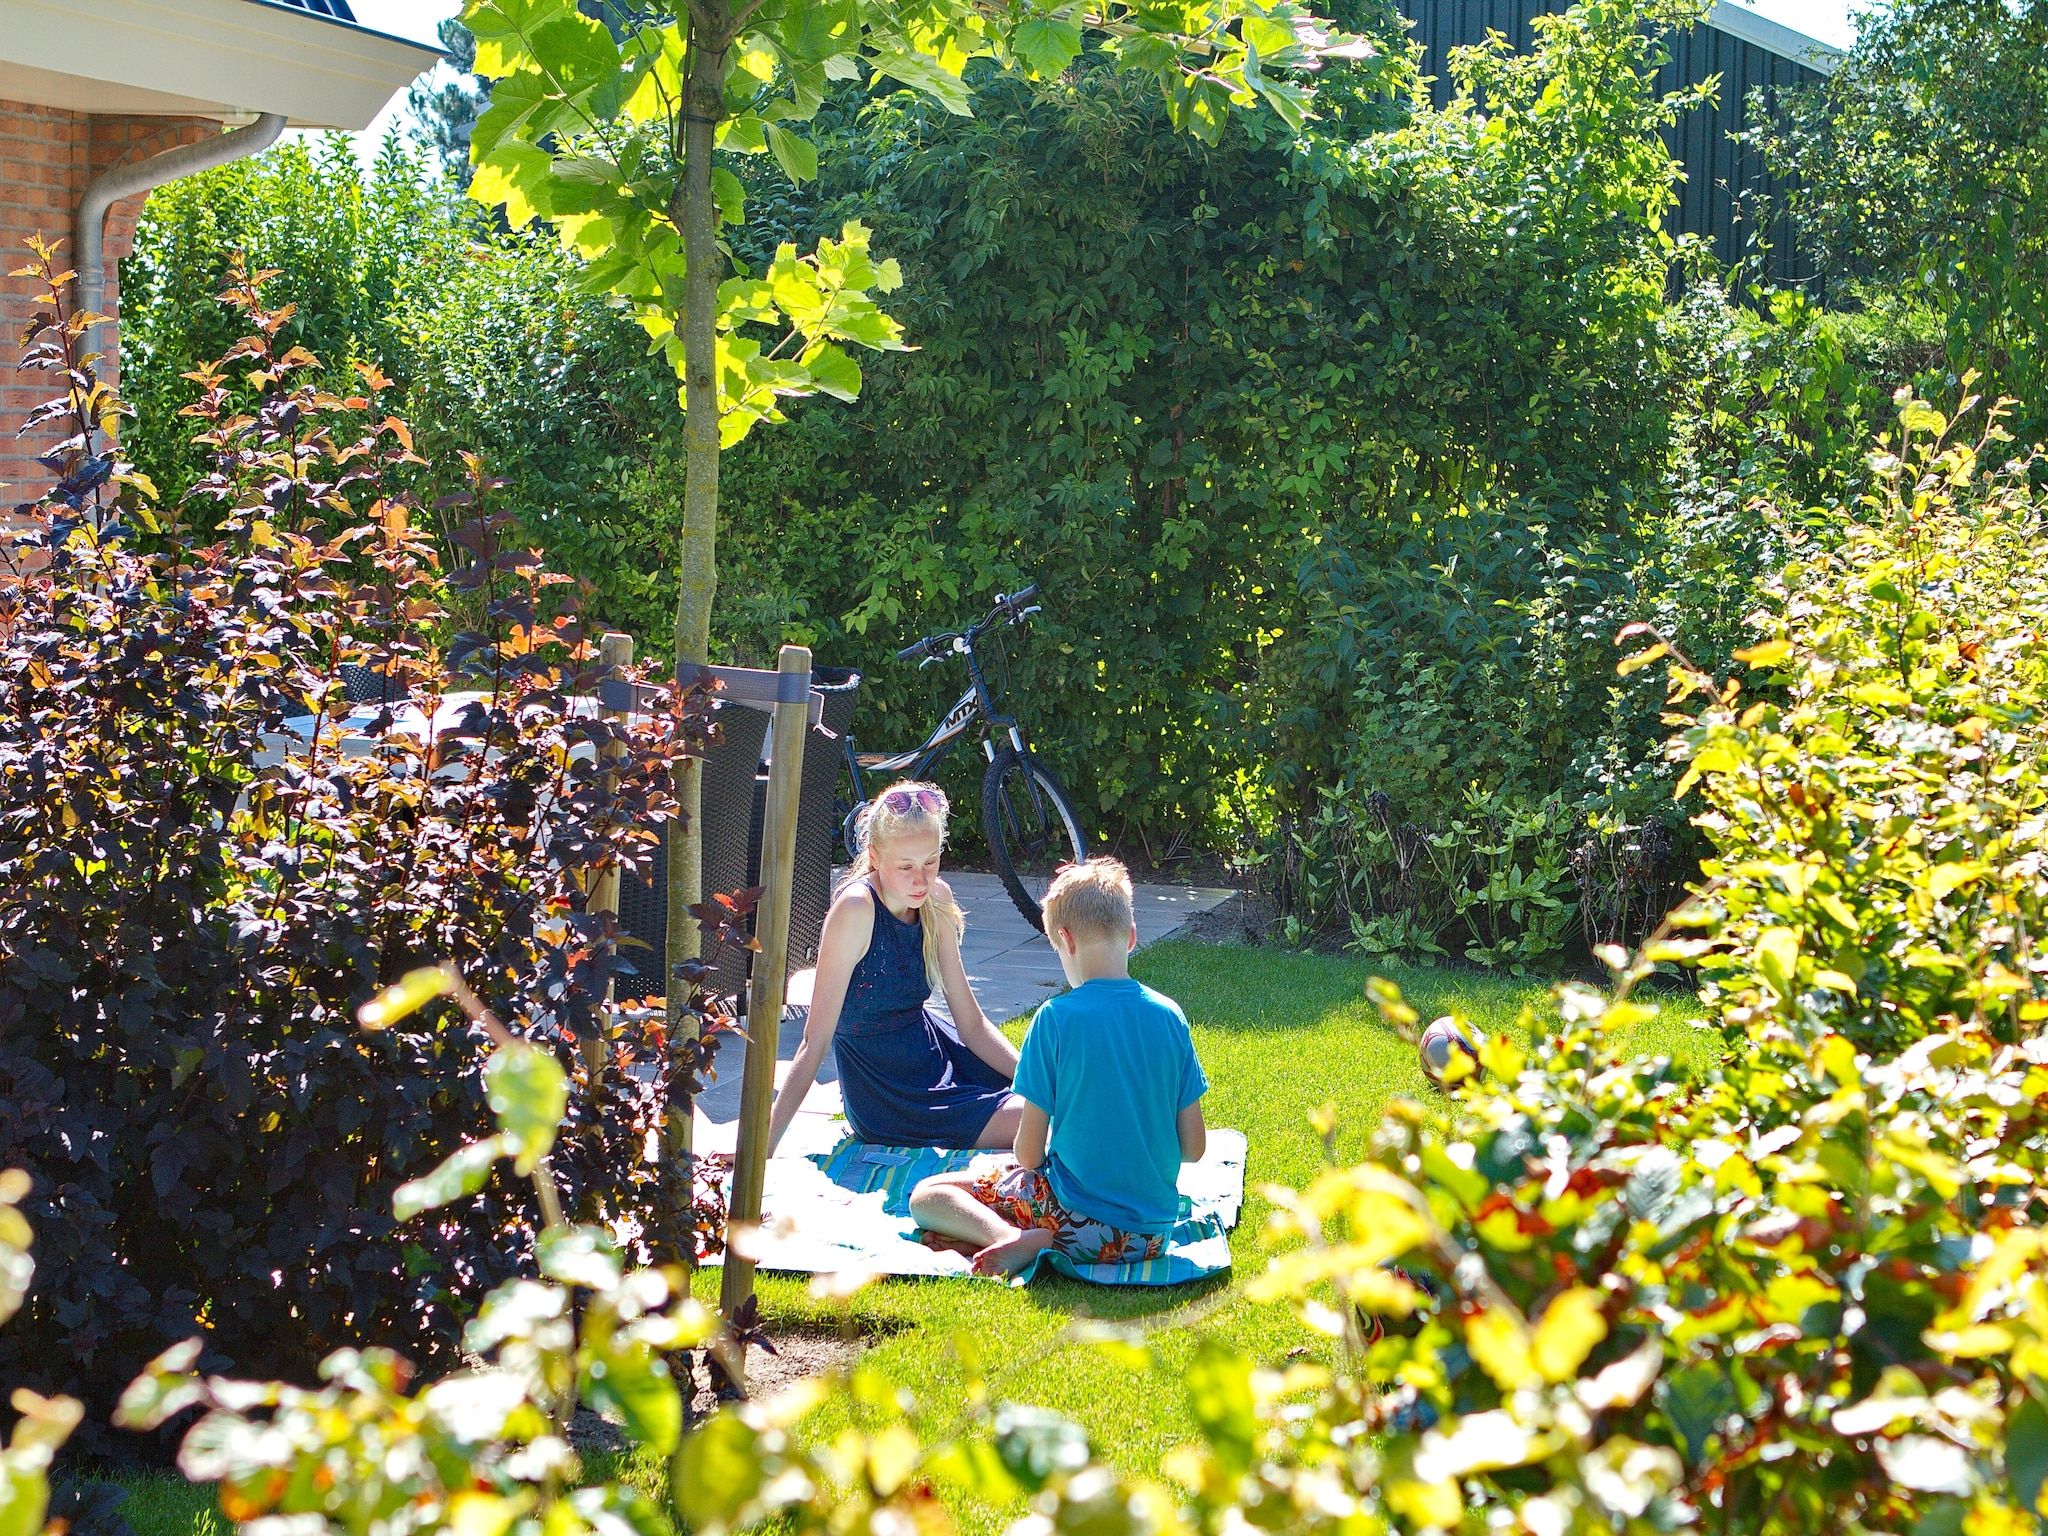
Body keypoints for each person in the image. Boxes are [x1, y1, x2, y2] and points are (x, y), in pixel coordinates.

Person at [908, 857, 1208, 1275]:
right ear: (1132, 937)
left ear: (1065, 941)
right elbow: (1194, 1148)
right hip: (1152, 1236)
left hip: (1075, 1225)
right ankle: (1020, 1234)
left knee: (928, 1194)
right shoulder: (1170, 1016)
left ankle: (1010, 1239)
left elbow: (1029, 1155)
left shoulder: (1055, 1019)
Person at [764, 781, 1023, 1153]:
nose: (921, 880)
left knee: (1059, 1097)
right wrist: (763, 1148)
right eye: (906, 867)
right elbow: (813, 1041)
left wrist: (1034, 1079)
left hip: (933, 1054)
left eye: (930, 862)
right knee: (1037, 1119)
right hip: (886, 1094)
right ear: (874, 857)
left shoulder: (936, 899)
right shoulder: (855, 911)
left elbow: (972, 1024)